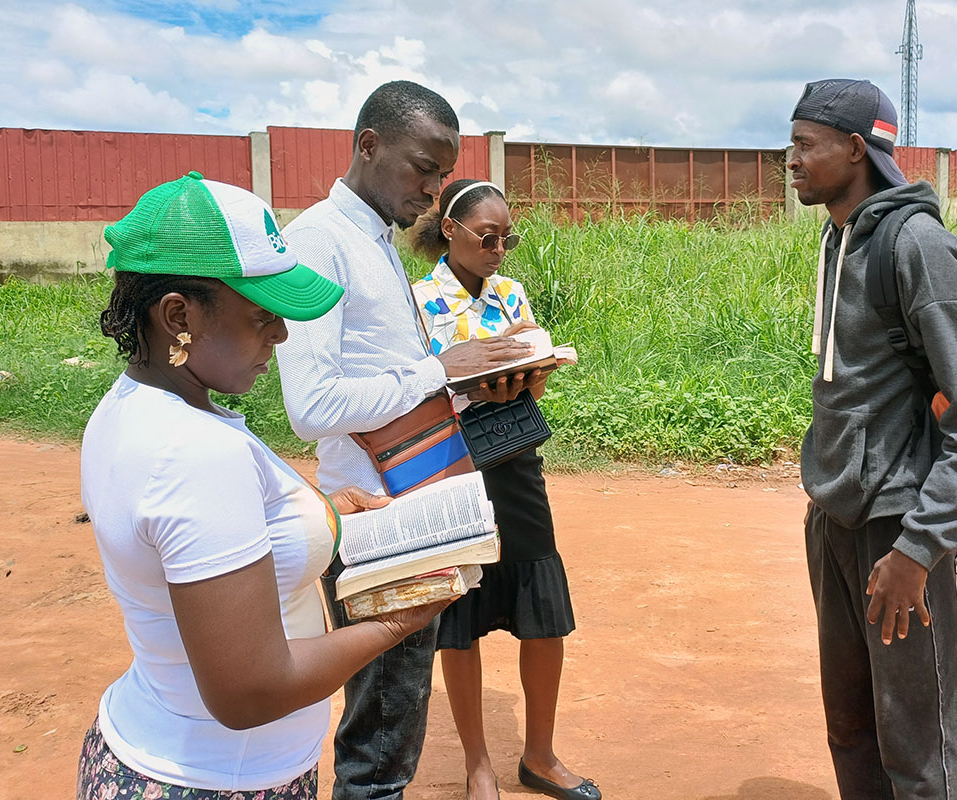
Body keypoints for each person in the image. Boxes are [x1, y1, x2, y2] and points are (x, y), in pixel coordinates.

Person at [77, 171, 451, 800]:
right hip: (217, 781)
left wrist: (322, 515)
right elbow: (251, 691)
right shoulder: (196, 452)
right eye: (261, 317)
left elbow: (193, 542)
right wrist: (400, 622)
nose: (280, 334)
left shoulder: (129, 409)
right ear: (179, 316)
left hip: (158, 751)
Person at [275, 82, 533, 800]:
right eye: (424, 167)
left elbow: (394, 381)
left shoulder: (375, 242)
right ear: (369, 145)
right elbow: (312, 404)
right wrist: (436, 370)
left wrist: (475, 383)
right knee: (378, 743)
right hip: (372, 520)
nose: (433, 189)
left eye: (443, 173)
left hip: (416, 503)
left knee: (395, 727)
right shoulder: (319, 241)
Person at [788, 79, 957, 800]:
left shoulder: (919, 247)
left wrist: (919, 549)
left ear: (855, 149)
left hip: (897, 528)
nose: (788, 160)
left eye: (803, 145)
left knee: (919, 747)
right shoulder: (839, 236)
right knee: (852, 727)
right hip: (834, 516)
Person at [408, 178, 601, 800]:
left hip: (514, 456)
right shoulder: (415, 302)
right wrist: (466, 387)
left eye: (506, 239)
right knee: (459, 610)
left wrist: (524, 381)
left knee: (542, 603)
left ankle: (539, 757)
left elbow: (533, 377)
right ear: (450, 231)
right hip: (449, 462)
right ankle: (478, 767)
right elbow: (410, 390)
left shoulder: (510, 294)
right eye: (487, 238)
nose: (498, 250)